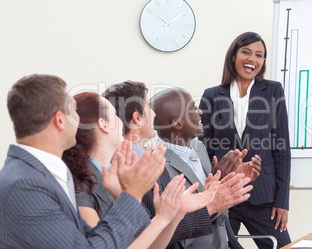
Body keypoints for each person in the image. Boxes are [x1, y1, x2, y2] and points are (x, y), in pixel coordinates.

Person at [0, 74, 165, 248]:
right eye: (74, 112)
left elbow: (91, 239)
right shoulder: (25, 185)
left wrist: (121, 198)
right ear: (60, 120)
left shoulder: (40, 174)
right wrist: (131, 194)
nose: (79, 121)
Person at [103, 81, 261, 249]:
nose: (154, 115)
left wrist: (221, 184)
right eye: (149, 106)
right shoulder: (145, 165)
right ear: (137, 117)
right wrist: (212, 200)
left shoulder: (189, 150)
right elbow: (160, 232)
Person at [62, 92, 212, 249]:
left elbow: (148, 245)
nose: (121, 120)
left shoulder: (111, 177)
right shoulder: (80, 186)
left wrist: (171, 215)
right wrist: (138, 199)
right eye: (114, 113)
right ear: (103, 124)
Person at [199, 32, 292, 248]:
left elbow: (282, 150)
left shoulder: (272, 90)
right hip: (224, 195)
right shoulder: (212, 95)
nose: (253, 59)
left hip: (263, 196)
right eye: (246, 52)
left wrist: (282, 201)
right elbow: (204, 149)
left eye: (259, 55)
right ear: (234, 56)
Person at [152, 87, 259, 249]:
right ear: (177, 123)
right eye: (193, 108)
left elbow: (218, 207)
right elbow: (175, 235)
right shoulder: (158, 167)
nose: (200, 112)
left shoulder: (198, 147)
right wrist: (215, 193)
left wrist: (229, 180)